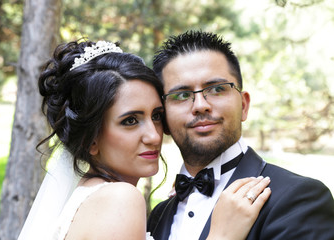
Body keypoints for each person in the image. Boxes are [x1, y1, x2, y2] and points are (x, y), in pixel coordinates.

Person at [17, 40, 271, 240]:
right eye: (130, 121)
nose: (153, 135)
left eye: (157, 116)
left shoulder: (92, 197)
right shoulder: (120, 199)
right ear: (90, 140)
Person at [147, 30, 334, 240]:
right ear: (164, 119)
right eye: (181, 95)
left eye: (217, 89)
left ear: (244, 106)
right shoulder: (158, 216)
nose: (201, 106)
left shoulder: (299, 199)